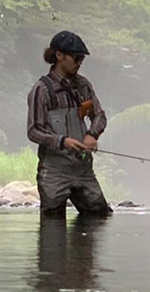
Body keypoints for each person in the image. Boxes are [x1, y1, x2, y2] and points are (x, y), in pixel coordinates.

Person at [27, 31, 112, 217]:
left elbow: (100, 115)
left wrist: (92, 134)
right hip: (54, 173)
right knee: (52, 224)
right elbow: (33, 131)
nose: (80, 62)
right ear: (59, 55)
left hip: (83, 170)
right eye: (76, 57)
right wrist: (62, 141)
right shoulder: (41, 90)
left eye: (82, 58)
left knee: (100, 217)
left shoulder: (84, 86)